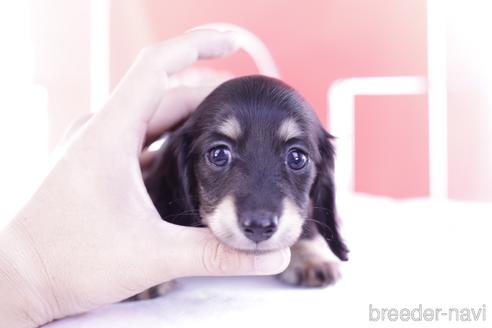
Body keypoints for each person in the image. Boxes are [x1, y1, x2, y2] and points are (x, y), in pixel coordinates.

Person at [0, 30, 291, 328]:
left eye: (295, 158)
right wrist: (29, 272)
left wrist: (24, 274)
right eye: (219, 154)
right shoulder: (162, 182)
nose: (259, 217)